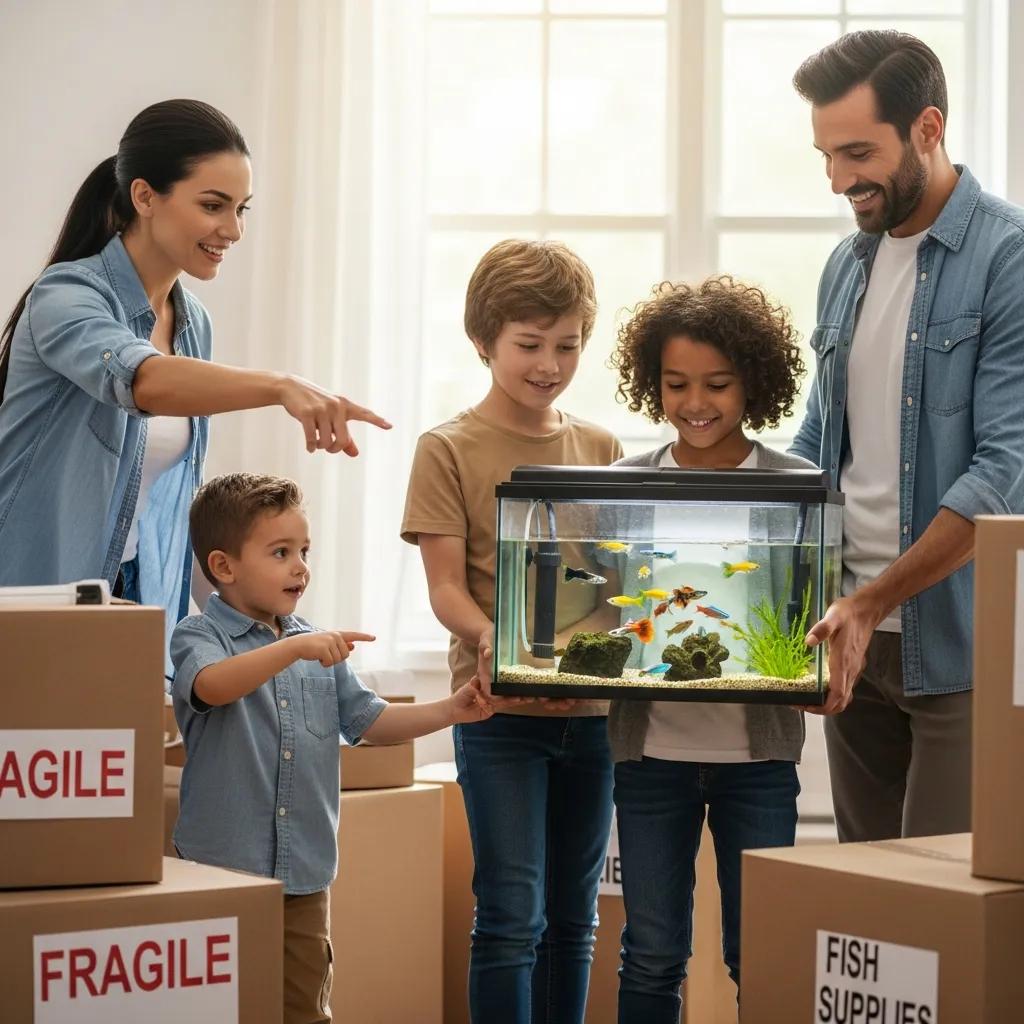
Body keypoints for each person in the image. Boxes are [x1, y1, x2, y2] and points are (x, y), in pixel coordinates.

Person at [0, 99, 389, 670]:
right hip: (33, 600)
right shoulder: (66, 296)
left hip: (136, 601)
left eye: (241, 208)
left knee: (130, 763)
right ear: (144, 196)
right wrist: (280, 385)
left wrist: (263, 622)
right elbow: (144, 382)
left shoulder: (193, 323)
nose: (232, 229)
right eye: (213, 206)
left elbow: (168, 500)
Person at [790, 30, 1024, 841]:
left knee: (941, 904)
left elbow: (1004, 475)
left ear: (928, 128)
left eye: (857, 152)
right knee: (870, 911)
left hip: (956, 641)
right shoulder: (846, 265)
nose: (838, 179)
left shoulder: (1008, 257)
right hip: (848, 636)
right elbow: (820, 441)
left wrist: (873, 601)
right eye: (825, 155)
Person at [170, 472, 492, 1024]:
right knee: (219, 1008)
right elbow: (213, 685)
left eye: (304, 551)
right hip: (219, 872)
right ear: (224, 567)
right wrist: (293, 648)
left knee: (304, 1008)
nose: (300, 566)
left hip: (303, 874)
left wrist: (449, 710)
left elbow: (370, 721)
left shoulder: (311, 642)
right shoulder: (199, 637)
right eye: (280, 552)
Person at [400, 239, 622, 1024]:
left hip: (592, 722)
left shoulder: (600, 449)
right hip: (498, 719)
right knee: (509, 918)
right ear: (484, 340)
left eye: (567, 345)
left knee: (577, 918)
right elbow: (447, 591)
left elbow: (611, 589)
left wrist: (586, 664)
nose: (548, 364)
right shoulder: (448, 449)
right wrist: (501, 643)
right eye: (529, 345)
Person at [606, 276, 814, 1022]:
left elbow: (811, 609)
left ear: (752, 382)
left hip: (757, 764)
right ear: (650, 382)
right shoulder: (625, 484)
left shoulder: (796, 484)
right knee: (653, 951)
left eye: (718, 384)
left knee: (761, 948)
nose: (697, 403)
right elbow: (603, 609)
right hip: (650, 758)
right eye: (677, 384)